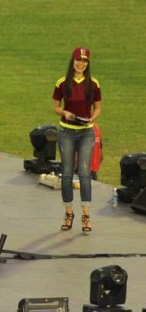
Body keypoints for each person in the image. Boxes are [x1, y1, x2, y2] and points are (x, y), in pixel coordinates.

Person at [53, 47, 101, 232]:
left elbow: (97, 108)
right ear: (72, 61)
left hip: (86, 131)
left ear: (88, 64)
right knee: (66, 172)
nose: (80, 64)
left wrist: (92, 118)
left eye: (84, 61)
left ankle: (86, 215)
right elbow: (56, 107)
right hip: (66, 130)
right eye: (78, 60)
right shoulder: (63, 83)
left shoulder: (94, 84)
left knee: (84, 172)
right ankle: (68, 212)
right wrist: (65, 112)